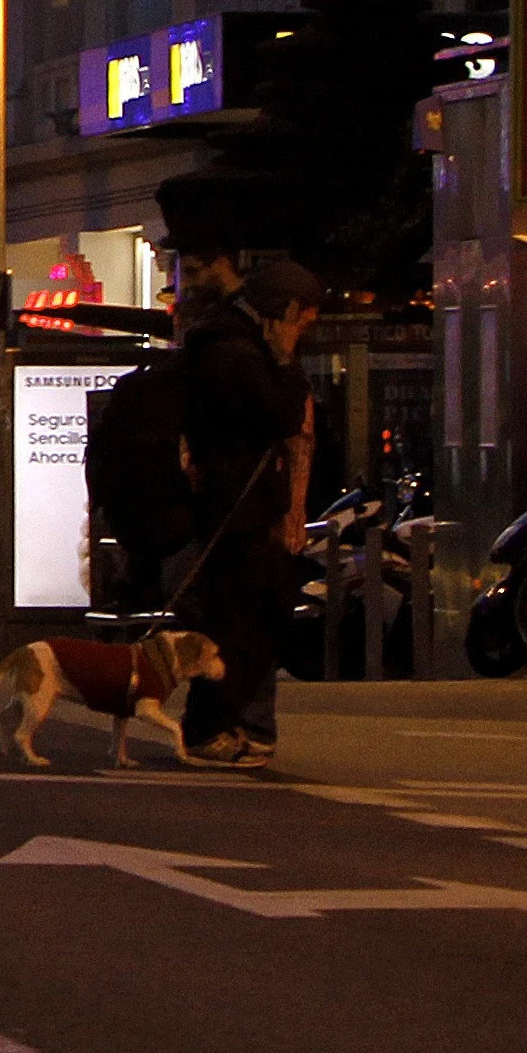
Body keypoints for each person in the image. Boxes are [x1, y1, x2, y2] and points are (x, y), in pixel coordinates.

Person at [170, 261, 321, 769]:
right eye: (302, 320)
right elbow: (281, 413)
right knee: (240, 622)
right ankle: (209, 727)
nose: (302, 332)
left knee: (251, 617)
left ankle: (229, 724)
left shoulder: (221, 344)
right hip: (237, 511)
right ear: (285, 312)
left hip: (236, 507)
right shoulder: (238, 353)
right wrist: (284, 359)